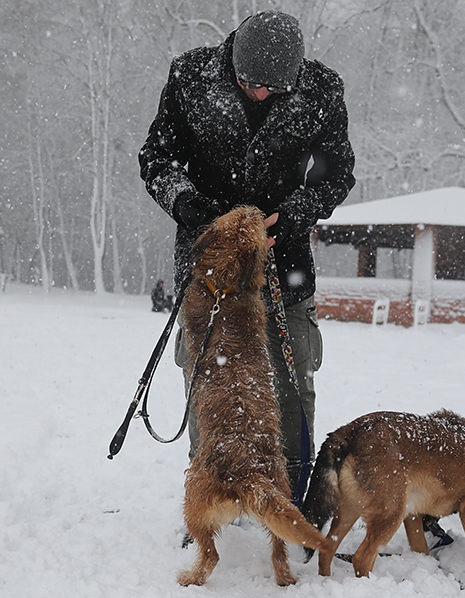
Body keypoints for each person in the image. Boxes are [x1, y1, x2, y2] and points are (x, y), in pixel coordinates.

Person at [138, 11, 356, 500]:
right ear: (232, 59)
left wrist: (296, 212)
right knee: (210, 387)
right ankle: (210, 491)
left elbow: (336, 172)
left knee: (291, 384)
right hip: (209, 273)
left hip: (286, 268)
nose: (259, 95)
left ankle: (296, 497)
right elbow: (158, 157)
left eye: (271, 90)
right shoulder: (190, 77)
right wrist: (184, 202)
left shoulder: (321, 91)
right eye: (248, 83)